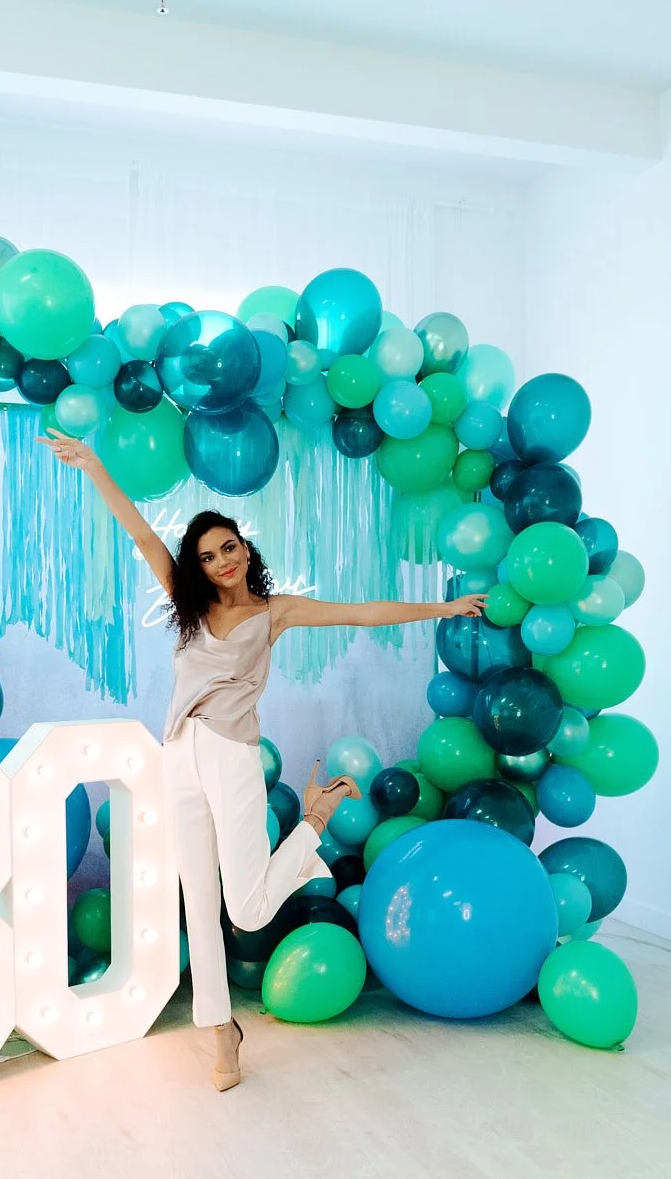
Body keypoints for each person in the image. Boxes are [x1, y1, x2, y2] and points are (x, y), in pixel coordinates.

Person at [41, 427, 485, 1091]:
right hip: (180, 752)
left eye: (230, 546)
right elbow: (138, 533)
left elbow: (363, 614)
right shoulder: (188, 608)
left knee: (246, 908)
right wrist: (94, 464)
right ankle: (221, 1031)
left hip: (231, 755)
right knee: (201, 900)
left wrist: (440, 607)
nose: (223, 559)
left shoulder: (276, 611)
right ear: (196, 566)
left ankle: (311, 822)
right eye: (209, 554)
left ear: (245, 549)